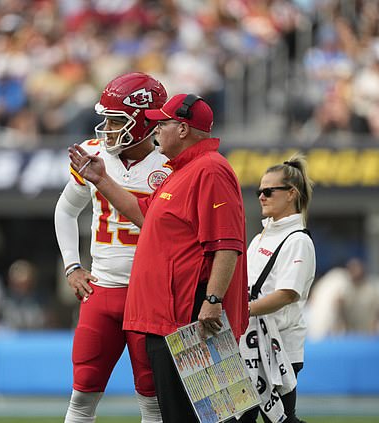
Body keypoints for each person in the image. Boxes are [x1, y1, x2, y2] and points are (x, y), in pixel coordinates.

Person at [69, 93, 248, 423]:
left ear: (182, 129)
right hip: (168, 317)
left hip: (192, 316)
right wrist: (101, 180)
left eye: (162, 123)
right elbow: (143, 214)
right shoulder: (183, 170)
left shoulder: (210, 170)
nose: (154, 129)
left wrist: (212, 299)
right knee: (179, 414)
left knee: (215, 415)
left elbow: (227, 243)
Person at [54, 72, 170, 423]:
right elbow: (65, 210)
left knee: (152, 398)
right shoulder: (93, 153)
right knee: (82, 392)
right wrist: (73, 266)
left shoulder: (170, 165)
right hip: (101, 290)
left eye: (117, 119)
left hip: (149, 296)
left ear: (143, 123)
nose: (106, 127)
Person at [240, 154, 316, 423]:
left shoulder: (298, 241)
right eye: (259, 191)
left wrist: (241, 311)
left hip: (279, 346)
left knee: (283, 420)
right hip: (250, 343)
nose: (261, 196)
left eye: (269, 191)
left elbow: (286, 294)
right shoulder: (262, 235)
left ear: (291, 194)